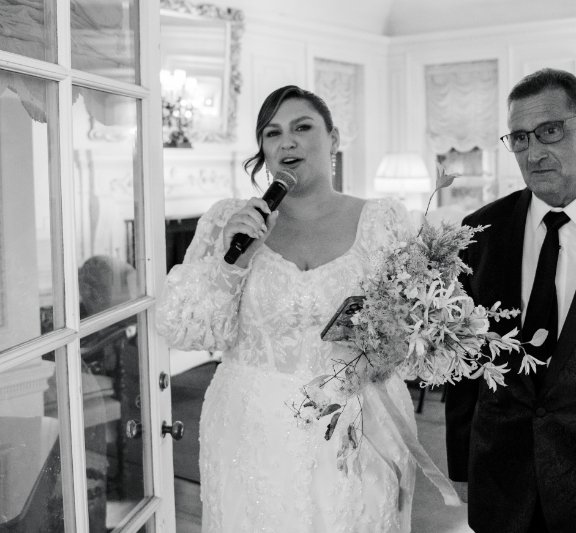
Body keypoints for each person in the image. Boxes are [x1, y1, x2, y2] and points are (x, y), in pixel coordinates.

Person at [156, 86, 417, 533]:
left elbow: (416, 325)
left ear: (333, 138)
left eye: (302, 127)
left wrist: (393, 343)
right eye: (272, 133)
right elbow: (187, 331)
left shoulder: (384, 220)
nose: (286, 142)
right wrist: (232, 260)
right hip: (252, 426)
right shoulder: (227, 221)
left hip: (359, 424)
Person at [445, 68, 576, 533]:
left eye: (550, 131)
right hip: (504, 489)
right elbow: (460, 364)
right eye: (519, 138)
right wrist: (462, 467)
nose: (534, 152)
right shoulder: (480, 233)